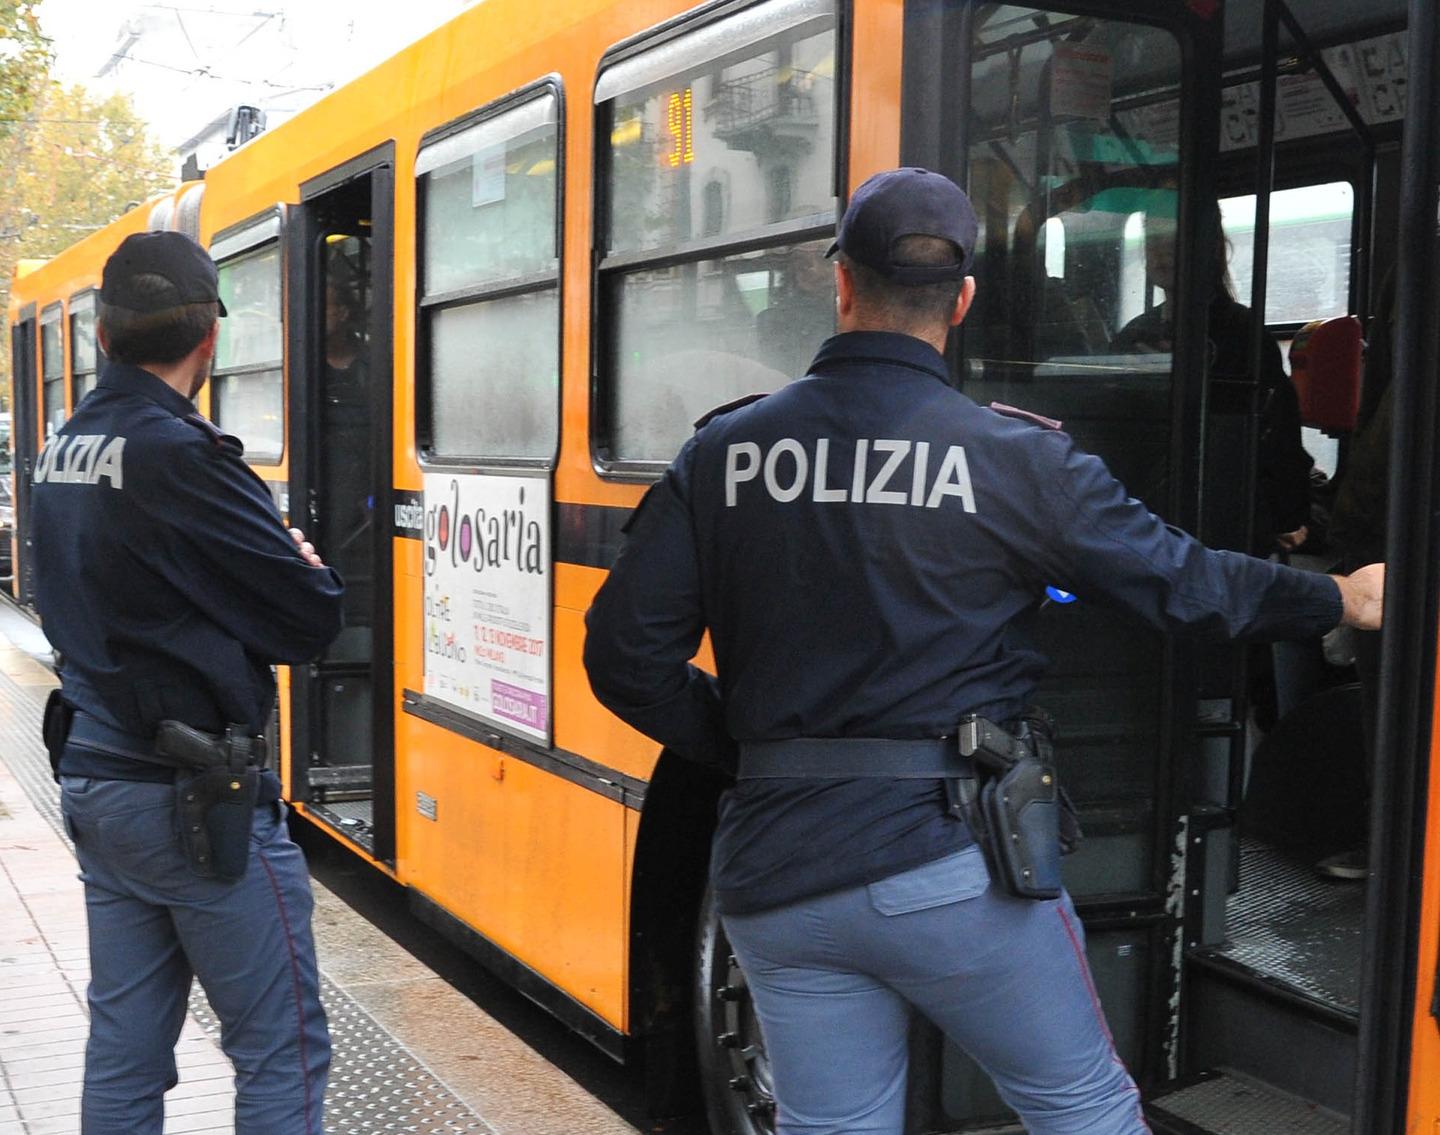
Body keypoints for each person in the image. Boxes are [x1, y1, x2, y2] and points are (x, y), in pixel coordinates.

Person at [582, 168, 1384, 1135]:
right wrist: (1334, 594)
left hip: (775, 873)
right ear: (962, 300)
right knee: (1082, 1109)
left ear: (840, 283)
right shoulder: (1016, 460)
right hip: (949, 862)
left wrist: (759, 753)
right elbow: (1183, 582)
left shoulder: (724, 452)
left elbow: (625, 656)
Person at [30, 230, 344, 1135]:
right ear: (210, 335)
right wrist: (297, 568)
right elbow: (309, 618)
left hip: (100, 777)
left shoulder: (68, 444)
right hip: (199, 804)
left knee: (125, 1046)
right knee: (281, 1048)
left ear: (102, 337)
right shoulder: (186, 454)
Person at [1115, 208, 1314, 555]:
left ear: (1207, 248)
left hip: (1222, 513)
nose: (1159, 252)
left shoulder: (1244, 334)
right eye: (1152, 242)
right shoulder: (1133, 335)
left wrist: (1284, 515)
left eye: (1170, 241)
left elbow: (1276, 434)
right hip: (1140, 509)